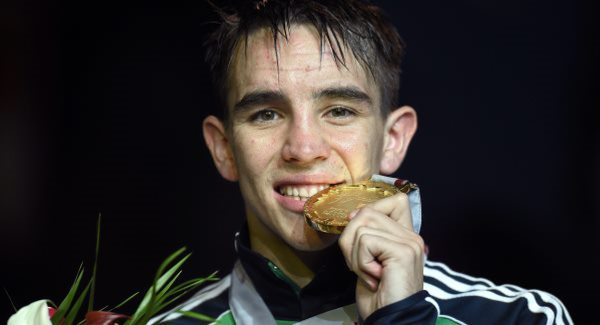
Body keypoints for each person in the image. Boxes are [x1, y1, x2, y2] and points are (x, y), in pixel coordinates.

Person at [152, 0, 572, 324]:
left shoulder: (521, 317)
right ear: (224, 149)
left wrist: (403, 318)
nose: (302, 147)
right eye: (266, 114)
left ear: (392, 139)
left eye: (339, 111)